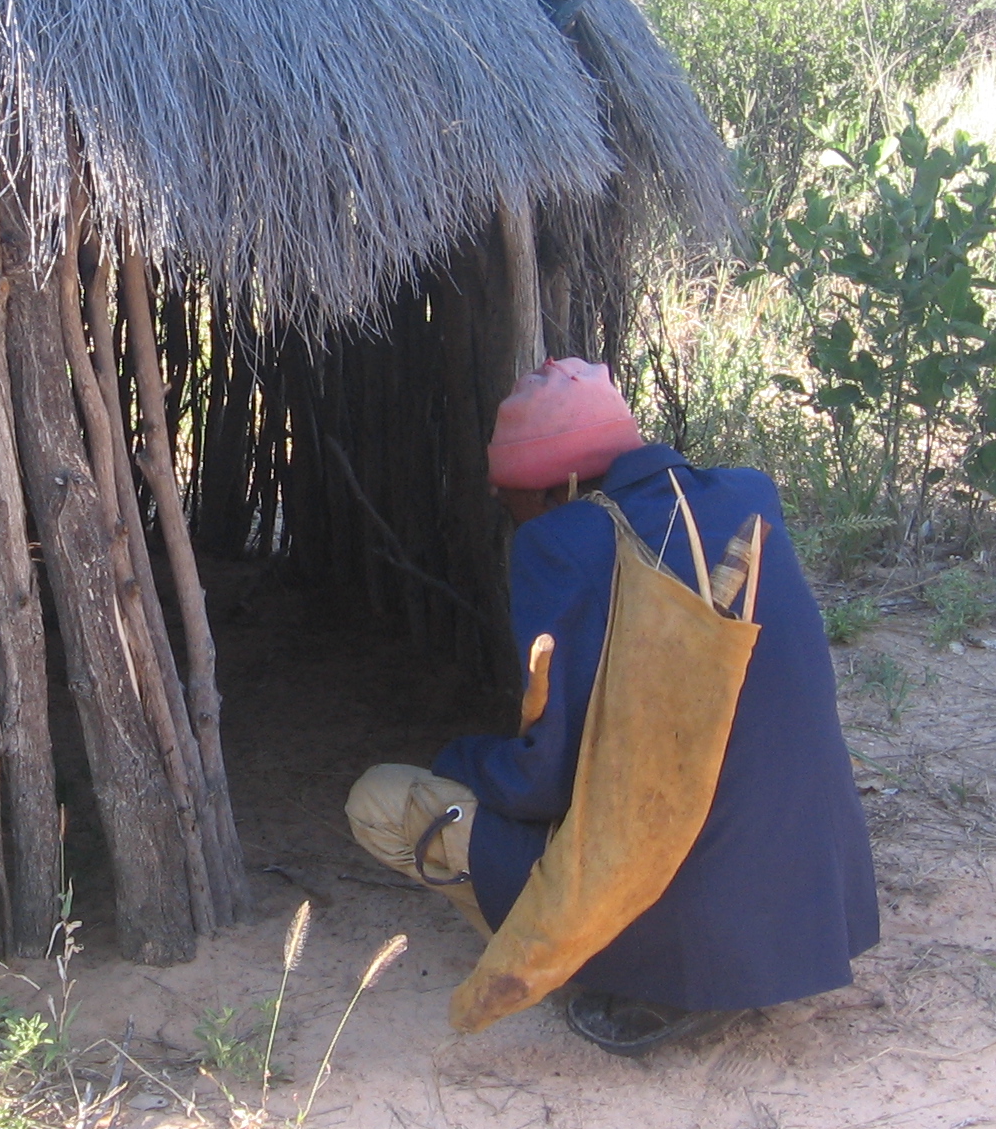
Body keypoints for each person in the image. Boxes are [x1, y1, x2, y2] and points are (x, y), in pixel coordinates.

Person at [347, 358, 880, 1056]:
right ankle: (727, 967)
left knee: (379, 801)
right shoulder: (751, 497)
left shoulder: (561, 542)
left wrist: (467, 757)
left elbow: (548, 784)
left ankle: (636, 978)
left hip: (683, 910)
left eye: (508, 496)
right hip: (811, 904)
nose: (504, 510)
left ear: (559, 486)